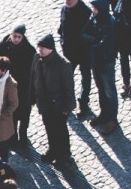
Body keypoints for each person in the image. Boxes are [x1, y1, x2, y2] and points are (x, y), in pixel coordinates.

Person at [31, 34, 73, 165]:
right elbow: (33, 77)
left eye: (43, 48)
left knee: (60, 130)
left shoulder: (63, 64)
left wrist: (68, 107)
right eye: (39, 47)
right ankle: (53, 150)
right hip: (44, 102)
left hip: (58, 104)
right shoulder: (37, 58)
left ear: (51, 49)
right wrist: (31, 96)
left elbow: (68, 88)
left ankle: (64, 154)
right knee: (49, 127)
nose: (40, 50)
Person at [0, 24, 34, 146]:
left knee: (24, 113)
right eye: (14, 36)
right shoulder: (4, 44)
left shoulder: (29, 50)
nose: (16, 39)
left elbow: (31, 72)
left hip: (23, 87)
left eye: (19, 37)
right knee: (11, 111)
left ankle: (23, 135)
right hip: (7, 84)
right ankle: (13, 136)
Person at [83, 0, 119, 135]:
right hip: (96, 60)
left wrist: (93, 43)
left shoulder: (111, 23)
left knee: (109, 91)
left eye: (95, 8)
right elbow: (84, 33)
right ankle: (104, 114)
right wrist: (94, 41)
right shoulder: (94, 18)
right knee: (101, 89)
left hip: (106, 61)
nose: (93, 10)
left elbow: (105, 43)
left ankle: (112, 119)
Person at [56, 0, 92, 120]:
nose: (67, 2)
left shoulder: (86, 12)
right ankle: (67, 102)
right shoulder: (64, 8)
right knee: (66, 77)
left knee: (85, 77)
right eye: (66, 0)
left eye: (70, 0)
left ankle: (83, 103)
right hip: (69, 51)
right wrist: (62, 38)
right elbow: (62, 26)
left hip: (83, 52)